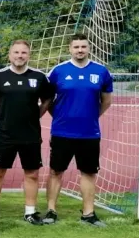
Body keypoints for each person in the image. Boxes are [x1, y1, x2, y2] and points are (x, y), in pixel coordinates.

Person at [44, 33, 113, 227]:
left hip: (89, 133)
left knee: (88, 172)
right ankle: (51, 210)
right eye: (76, 47)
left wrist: (91, 117)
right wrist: (60, 117)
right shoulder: (58, 71)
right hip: (62, 132)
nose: (80, 50)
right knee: (56, 171)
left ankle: (88, 213)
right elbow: (48, 101)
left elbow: (106, 101)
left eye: (83, 46)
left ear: (89, 48)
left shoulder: (101, 71)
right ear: (70, 49)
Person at [0, 40, 54, 225]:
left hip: (30, 135)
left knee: (32, 174)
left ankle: (30, 212)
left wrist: (36, 115)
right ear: (10, 55)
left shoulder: (39, 77)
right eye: (16, 52)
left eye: (23, 52)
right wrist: (0, 118)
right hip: (4, 135)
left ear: (29, 55)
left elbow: (47, 99)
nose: (19, 56)